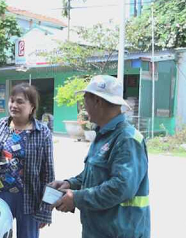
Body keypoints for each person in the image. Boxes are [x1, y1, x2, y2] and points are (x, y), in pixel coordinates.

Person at [49, 75, 150, 238]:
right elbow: (93, 175)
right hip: (98, 231)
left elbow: (120, 188)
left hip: (121, 233)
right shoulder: (104, 134)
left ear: (98, 101)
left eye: (85, 101)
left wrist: (77, 198)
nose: (83, 108)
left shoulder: (127, 139)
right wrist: (70, 184)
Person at [0, 83, 54, 238]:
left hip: (29, 199)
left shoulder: (43, 133)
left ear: (32, 107)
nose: (14, 105)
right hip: (0, 195)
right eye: (11, 100)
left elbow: (49, 173)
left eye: (20, 102)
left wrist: (46, 209)